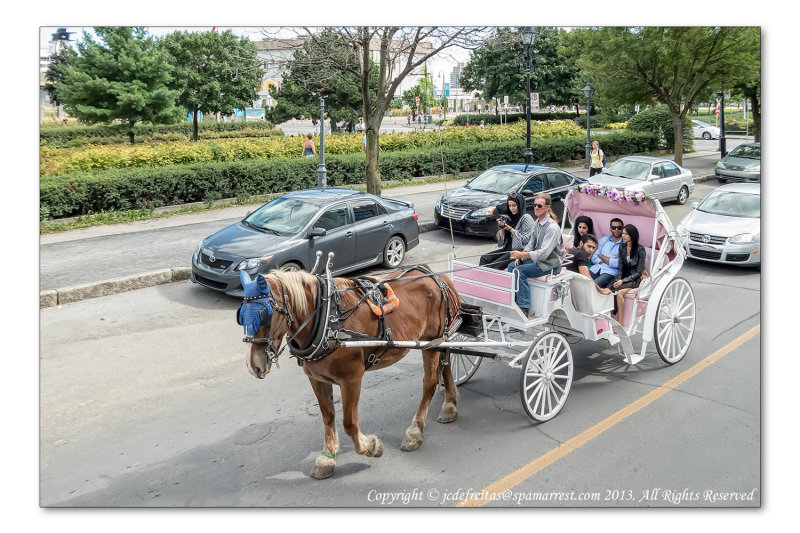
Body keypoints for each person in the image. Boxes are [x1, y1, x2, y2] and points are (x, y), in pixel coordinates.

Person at [507, 193, 564, 316]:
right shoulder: (537, 222)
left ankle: (524, 306)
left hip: (549, 264)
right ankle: (513, 299)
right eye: (534, 205)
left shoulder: (552, 228)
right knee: (512, 266)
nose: (536, 208)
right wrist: (521, 255)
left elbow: (543, 254)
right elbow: (530, 244)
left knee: (519, 271)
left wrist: (522, 256)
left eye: (539, 205)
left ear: (547, 207)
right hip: (538, 261)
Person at [479, 192, 535, 270]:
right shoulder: (509, 217)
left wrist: (511, 229)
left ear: (520, 205)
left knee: (493, 266)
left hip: (518, 251)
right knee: (484, 258)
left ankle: (491, 280)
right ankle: (481, 279)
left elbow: (526, 240)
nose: (512, 208)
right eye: (509, 206)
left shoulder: (526, 218)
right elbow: (500, 242)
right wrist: (501, 228)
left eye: (514, 205)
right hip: (507, 249)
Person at [611, 224, 647, 324]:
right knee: (608, 288)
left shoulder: (640, 249)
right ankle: (609, 320)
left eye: (626, 234)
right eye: (623, 233)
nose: (623, 236)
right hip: (623, 276)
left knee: (619, 293)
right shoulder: (621, 247)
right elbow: (620, 266)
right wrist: (618, 279)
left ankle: (620, 322)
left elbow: (639, 272)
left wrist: (622, 281)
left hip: (635, 278)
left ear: (632, 235)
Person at [590, 218, 624, 288]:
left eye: (619, 228)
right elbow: (594, 257)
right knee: (582, 280)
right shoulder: (603, 240)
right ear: (610, 229)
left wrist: (601, 256)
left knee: (594, 285)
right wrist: (604, 261)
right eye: (614, 228)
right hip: (597, 267)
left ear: (622, 229)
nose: (616, 230)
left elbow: (617, 264)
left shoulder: (625, 244)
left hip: (610, 271)